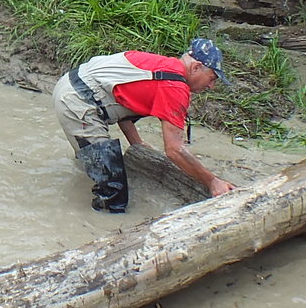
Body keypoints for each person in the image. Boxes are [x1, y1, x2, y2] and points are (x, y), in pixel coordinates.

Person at [52, 38, 239, 213]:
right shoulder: (174, 87)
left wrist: (137, 144)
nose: (211, 86)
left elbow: (124, 101)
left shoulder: (161, 66)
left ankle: (88, 166)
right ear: (197, 67)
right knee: (114, 195)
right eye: (212, 78)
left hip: (73, 86)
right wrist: (213, 182)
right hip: (77, 102)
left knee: (98, 163)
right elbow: (174, 150)